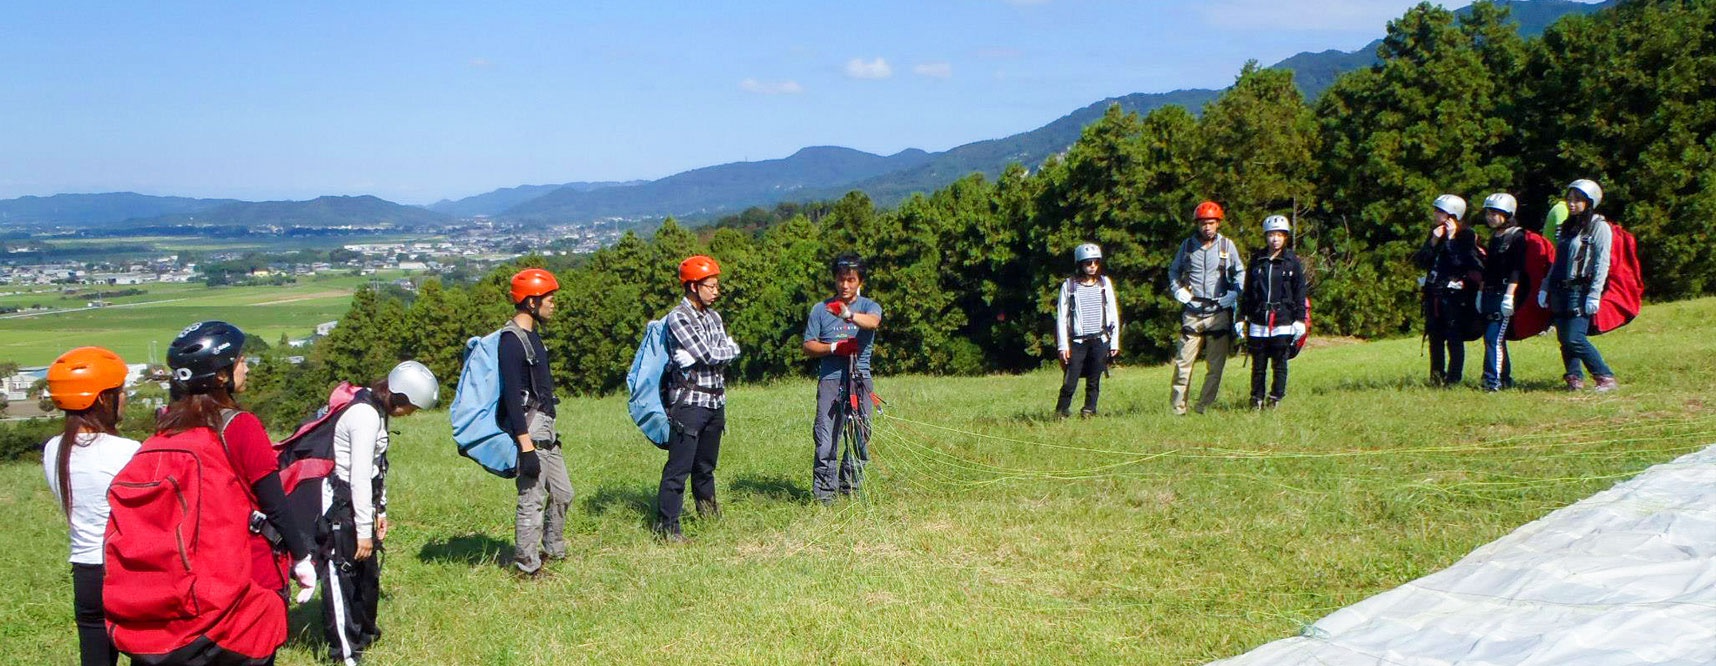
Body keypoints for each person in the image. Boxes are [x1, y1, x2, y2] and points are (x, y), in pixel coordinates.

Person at [153, 320, 316, 662]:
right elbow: (275, 504)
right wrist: (302, 557)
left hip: (187, 573)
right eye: (241, 361)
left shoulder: (166, 425)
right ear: (222, 375)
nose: (246, 367)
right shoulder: (240, 426)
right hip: (248, 573)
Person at [316, 360, 438, 665]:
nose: (412, 414)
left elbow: (377, 468)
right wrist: (363, 532)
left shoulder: (378, 411)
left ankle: (365, 635)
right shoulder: (365, 416)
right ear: (400, 398)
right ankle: (345, 653)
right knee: (344, 578)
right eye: (412, 407)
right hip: (341, 506)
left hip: (361, 504)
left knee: (366, 577)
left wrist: (380, 510)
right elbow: (357, 476)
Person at [42, 347, 140, 666]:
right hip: (124, 570)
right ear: (101, 399)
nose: (124, 398)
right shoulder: (126, 450)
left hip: (85, 573)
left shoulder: (54, 449)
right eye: (119, 392)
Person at [656, 255, 740, 541]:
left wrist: (721, 352)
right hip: (689, 404)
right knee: (679, 468)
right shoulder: (678, 317)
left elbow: (722, 355)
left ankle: (709, 517)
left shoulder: (713, 317)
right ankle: (669, 529)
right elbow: (710, 353)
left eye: (716, 286)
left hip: (715, 402)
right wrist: (718, 352)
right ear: (693, 286)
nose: (716, 291)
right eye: (711, 286)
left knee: (706, 466)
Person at [500, 268, 572, 575]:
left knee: (563, 493)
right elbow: (511, 399)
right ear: (531, 302)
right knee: (532, 499)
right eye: (549, 299)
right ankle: (527, 566)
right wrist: (525, 446)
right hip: (530, 429)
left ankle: (553, 549)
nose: (553, 304)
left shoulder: (532, 336)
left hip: (547, 428)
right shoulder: (511, 342)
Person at [803, 253, 883, 503]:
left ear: (860, 282)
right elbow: (808, 346)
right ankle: (824, 495)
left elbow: (873, 322)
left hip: (860, 380)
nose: (845, 285)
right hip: (830, 380)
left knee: (860, 436)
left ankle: (851, 488)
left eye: (851, 280)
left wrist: (848, 315)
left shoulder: (869, 306)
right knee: (826, 439)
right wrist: (834, 348)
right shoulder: (820, 309)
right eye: (841, 279)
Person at [1538, 179, 1618, 392]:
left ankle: (1604, 376)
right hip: (1559, 287)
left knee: (1574, 337)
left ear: (1590, 202)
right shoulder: (1567, 227)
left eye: (1578, 200)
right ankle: (1574, 377)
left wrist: (1594, 293)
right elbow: (1558, 260)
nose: (1572, 204)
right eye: (1570, 199)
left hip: (1580, 289)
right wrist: (1545, 286)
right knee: (1564, 338)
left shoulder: (1599, 227)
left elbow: (1602, 261)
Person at [1168, 201, 1245, 414]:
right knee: (1183, 364)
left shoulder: (1227, 246)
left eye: (1211, 223)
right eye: (1203, 223)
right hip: (1192, 313)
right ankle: (1178, 409)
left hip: (1218, 312)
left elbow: (1240, 272)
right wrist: (1177, 290)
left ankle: (1203, 407)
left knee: (1215, 367)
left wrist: (1234, 293)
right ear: (1197, 224)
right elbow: (1173, 271)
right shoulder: (1187, 246)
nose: (1207, 227)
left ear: (1218, 224)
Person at [1413, 194, 1485, 386]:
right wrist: (1433, 242)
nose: (1435, 214)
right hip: (1434, 292)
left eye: (1440, 211)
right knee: (1435, 337)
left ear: (1452, 214)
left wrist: (1452, 239)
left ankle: (1453, 379)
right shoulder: (1435, 233)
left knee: (1454, 337)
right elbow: (1420, 261)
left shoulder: (1466, 235)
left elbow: (1462, 262)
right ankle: (1436, 377)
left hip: (1455, 296)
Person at [1240, 216, 1308, 409]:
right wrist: (1241, 316)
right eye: (1271, 234)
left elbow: (1300, 290)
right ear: (1266, 236)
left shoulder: (1291, 261)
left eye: (1279, 235)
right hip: (1259, 320)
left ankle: (1276, 397)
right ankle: (1256, 398)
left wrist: (1300, 319)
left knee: (1280, 363)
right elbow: (1248, 291)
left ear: (1285, 237)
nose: (1275, 239)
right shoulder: (1257, 260)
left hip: (1283, 320)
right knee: (1258, 365)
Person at [1054, 243, 1120, 418]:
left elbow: (1113, 313)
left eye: (1095, 262)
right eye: (1088, 263)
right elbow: (1061, 317)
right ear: (1080, 264)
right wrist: (1063, 346)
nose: (1092, 266)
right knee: (1070, 380)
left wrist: (1114, 342)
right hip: (1077, 341)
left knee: (1094, 379)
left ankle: (1089, 410)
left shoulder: (1105, 284)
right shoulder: (1069, 286)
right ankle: (1061, 411)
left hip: (1100, 339)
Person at [1478, 193, 1526, 392]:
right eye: (1488, 213)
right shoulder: (1494, 237)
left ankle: (1492, 381)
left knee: (1493, 338)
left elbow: (1517, 268)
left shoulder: (1517, 236)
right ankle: (1504, 377)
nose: (1490, 217)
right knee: (1494, 338)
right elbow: (1488, 268)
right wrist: (1480, 292)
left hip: (1505, 292)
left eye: (1495, 213)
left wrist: (1510, 295)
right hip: (1490, 291)